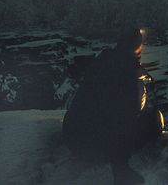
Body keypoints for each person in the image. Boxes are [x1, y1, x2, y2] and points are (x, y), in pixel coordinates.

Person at [62, 28, 162, 185]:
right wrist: (120, 166)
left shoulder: (101, 62)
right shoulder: (124, 74)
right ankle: (122, 171)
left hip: (73, 140)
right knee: (153, 119)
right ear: (136, 46)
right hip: (95, 148)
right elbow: (121, 118)